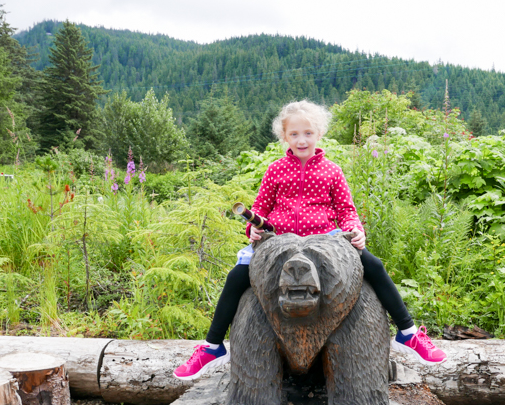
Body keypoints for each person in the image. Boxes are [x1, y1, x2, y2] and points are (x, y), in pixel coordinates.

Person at [173, 101, 446, 380]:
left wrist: (355, 229)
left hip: (326, 241)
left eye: (307, 133)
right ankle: (213, 345)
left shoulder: (332, 171)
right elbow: (262, 209)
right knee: (236, 277)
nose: (301, 140)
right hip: (277, 242)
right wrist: (252, 231)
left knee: (374, 266)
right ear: (284, 137)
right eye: (294, 134)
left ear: (319, 134)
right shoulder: (275, 170)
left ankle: (408, 332)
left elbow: (346, 211)